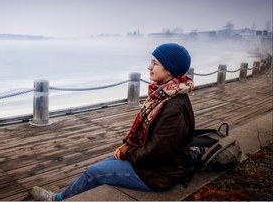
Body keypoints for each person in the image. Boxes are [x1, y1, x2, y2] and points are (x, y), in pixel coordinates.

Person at [31, 43, 195, 201]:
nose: (149, 67)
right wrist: (127, 148)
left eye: (154, 63)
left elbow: (157, 152)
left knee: (94, 173)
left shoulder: (174, 108)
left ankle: (57, 199)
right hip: (151, 165)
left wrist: (127, 152)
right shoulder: (166, 94)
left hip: (159, 175)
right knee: (105, 163)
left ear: (169, 69)